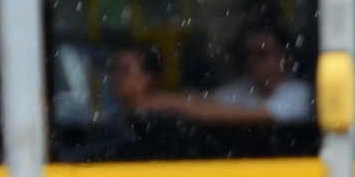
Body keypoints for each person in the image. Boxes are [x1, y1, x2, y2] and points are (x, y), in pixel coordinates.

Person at [114, 14, 311, 126]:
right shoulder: (242, 88)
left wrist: (165, 101)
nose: (252, 61)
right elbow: (203, 105)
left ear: (283, 57)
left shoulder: (298, 93)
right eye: (247, 55)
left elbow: (258, 119)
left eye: (261, 54)